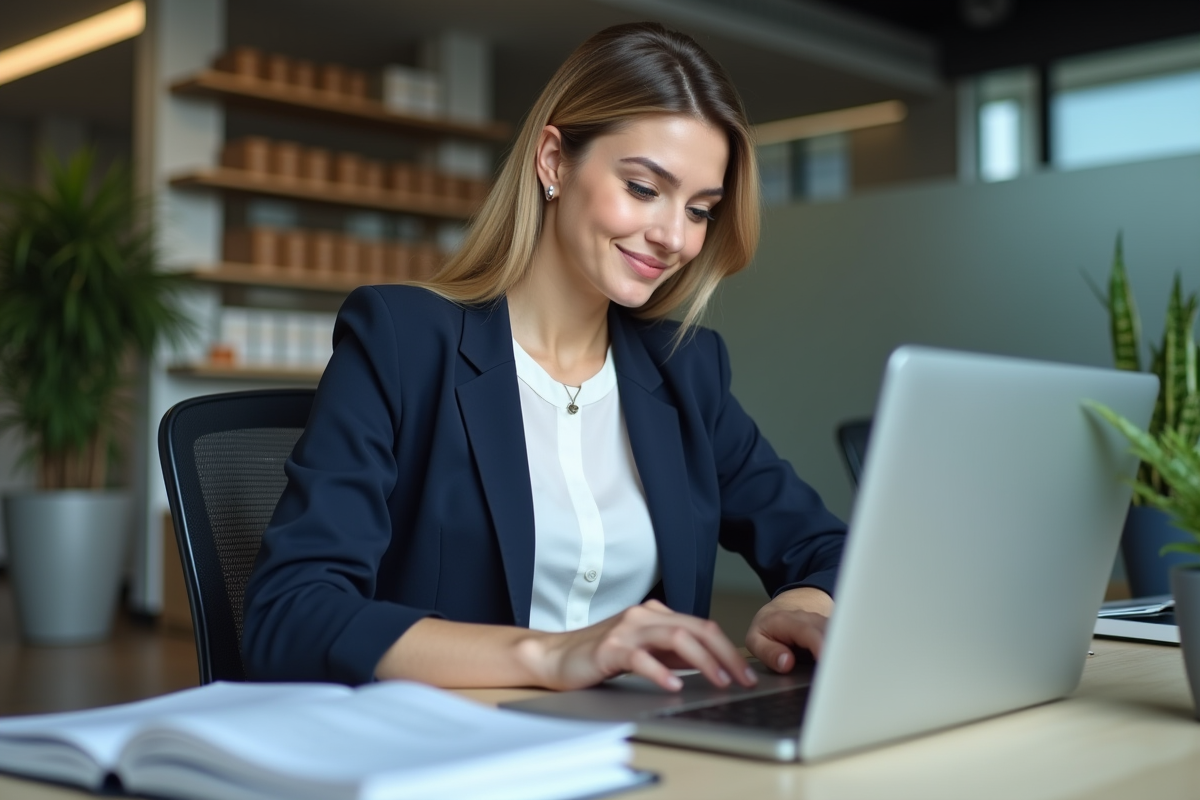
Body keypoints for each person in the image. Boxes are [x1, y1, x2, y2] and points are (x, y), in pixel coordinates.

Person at [242, 21, 846, 692]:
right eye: (644, 189)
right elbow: (290, 616)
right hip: (449, 756)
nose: (674, 236)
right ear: (554, 161)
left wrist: (799, 605)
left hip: (643, 754)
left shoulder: (686, 372)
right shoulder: (403, 342)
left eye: (701, 210)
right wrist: (550, 655)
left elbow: (832, 550)